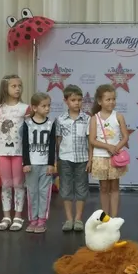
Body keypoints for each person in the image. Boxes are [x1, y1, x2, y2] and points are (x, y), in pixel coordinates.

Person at [0, 74, 31, 232]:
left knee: (18, 184)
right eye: (14, 86)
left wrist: (27, 156)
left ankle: (18, 216)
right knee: (6, 184)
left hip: (19, 153)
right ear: (5, 88)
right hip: (3, 152)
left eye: (19, 86)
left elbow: (28, 132)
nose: (17, 89)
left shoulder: (25, 108)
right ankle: (6, 216)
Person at [88, 84, 130, 217]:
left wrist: (116, 148)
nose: (111, 102)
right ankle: (105, 217)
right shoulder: (94, 118)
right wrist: (108, 147)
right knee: (104, 188)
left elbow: (125, 136)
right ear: (100, 101)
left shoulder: (118, 116)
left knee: (115, 187)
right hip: (100, 157)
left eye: (113, 99)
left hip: (115, 158)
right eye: (108, 99)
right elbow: (92, 140)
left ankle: (114, 218)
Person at [56, 85, 91, 232]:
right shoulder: (60, 119)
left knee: (81, 189)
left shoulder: (87, 119)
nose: (77, 103)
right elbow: (58, 140)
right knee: (66, 188)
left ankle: (78, 219)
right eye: (73, 100)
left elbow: (90, 141)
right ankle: (69, 219)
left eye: (79, 100)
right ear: (66, 101)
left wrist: (90, 159)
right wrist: (58, 158)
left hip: (82, 159)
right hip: (65, 158)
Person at [21, 92, 57, 234]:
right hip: (31, 165)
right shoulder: (27, 123)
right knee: (32, 192)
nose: (47, 108)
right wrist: (26, 163)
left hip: (45, 165)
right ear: (34, 108)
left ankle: (42, 220)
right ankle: (33, 220)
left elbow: (52, 145)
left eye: (49, 106)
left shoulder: (51, 123)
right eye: (44, 106)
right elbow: (24, 144)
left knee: (44, 193)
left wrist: (51, 164)